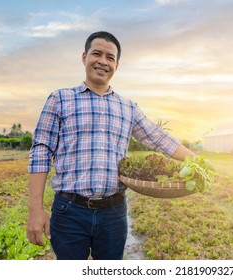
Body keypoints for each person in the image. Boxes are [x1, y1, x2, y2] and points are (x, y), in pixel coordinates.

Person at [27, 31, 195, 260]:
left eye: (110, 57)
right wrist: (35, 210)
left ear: (117, 64)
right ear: (84, 57)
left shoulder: (128, 107)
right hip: (69, 211)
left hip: (113, 214)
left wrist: (195, 161)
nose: (103, 61)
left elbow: (157, 137)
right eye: (97, 54)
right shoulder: (60, 99)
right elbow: (41, 151)